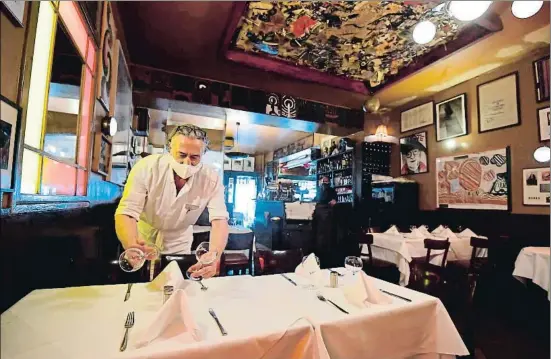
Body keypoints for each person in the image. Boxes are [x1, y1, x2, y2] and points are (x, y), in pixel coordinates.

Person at [115, 124, 229, 279]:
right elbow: (127, 212)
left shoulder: (211, 179)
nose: (187, 163)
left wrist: (214, 257)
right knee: (140, 288)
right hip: (142, 237)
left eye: (194, 157)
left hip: (179, 241)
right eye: (181, 155)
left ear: (203, 155)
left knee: (175, 285)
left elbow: (220, 220)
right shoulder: (147, 168)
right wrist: (130, 243)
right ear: (169, 150)